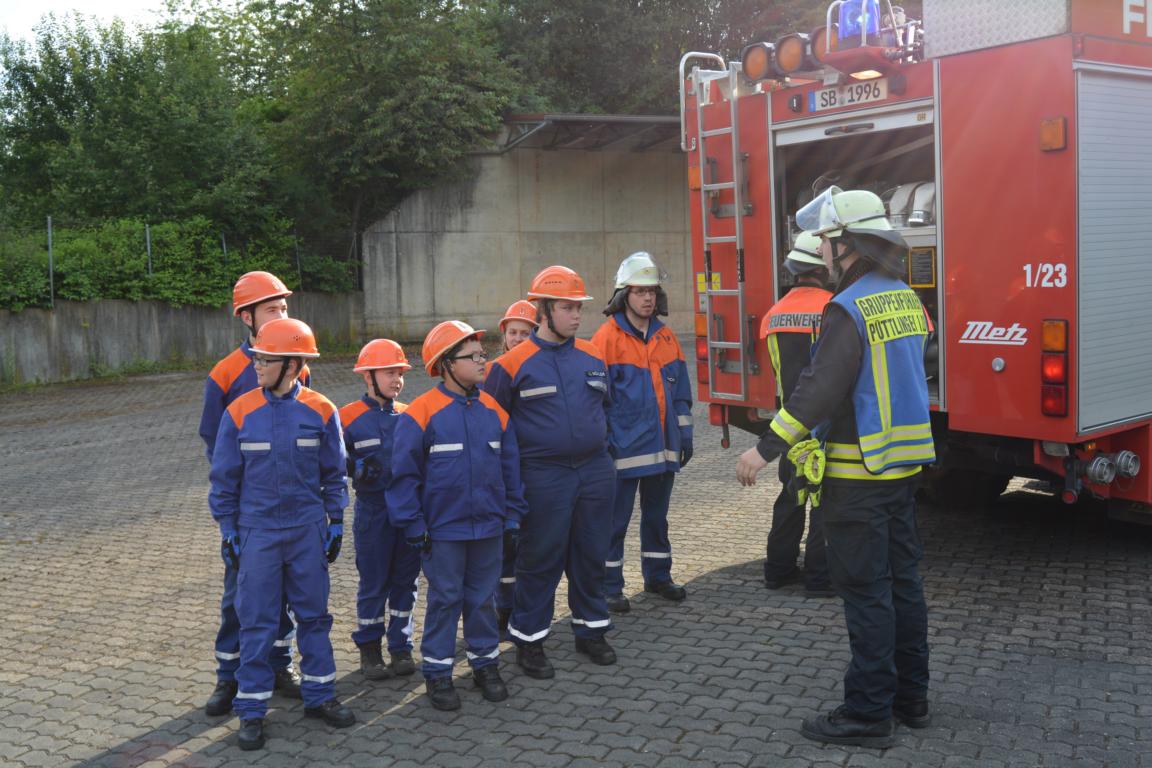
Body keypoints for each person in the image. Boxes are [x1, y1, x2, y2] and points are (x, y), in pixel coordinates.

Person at [736, 187, 934, 749]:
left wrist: (763, 449)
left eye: (825, 241)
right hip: (904, 470)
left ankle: (868, 713)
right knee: (904, 584)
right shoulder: (905, 296)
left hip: (857, 476)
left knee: (866, 592)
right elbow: (928, 358)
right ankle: (911, 699)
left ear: (846, 245)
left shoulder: (846, 307)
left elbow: (817, 391)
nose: (821, 251)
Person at [209, 318, 355, 751]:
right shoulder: (239, 413)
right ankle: (251, 713)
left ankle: (320, 695)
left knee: (314, 617)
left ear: (292, 364)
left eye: (264, 360)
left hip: (307, 531)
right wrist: (229, 530)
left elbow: (335, 473)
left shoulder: (322, 410)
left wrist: (336, 520)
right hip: (258, 534)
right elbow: (224, 480)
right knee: (256, 623)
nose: (256, 366)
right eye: (255, 358)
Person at [482, 266, 617, 678]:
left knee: (592, 554)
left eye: (579, 307)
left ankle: (590, 631)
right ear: (544, 310)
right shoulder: (510, 365)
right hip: (543, 476)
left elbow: (605, 409)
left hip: (594, 471)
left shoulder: (593, 354)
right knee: (539, 560)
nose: (576, 315)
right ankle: (529, 640)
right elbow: (493, 427)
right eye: (567, 307)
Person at [388, 321, 528, 710]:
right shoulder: (420, 414)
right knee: (446, 599)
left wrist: (512, 517)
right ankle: (437, 673)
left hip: (488, 527)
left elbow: (511, 471)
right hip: (442, 533)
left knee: (482, 599)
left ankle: (485, 665)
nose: (484, 361)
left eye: (483, 354)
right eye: (474, 356)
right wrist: (413, 525)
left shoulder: (495, 412)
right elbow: (403, 477)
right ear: (447, 363)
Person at [198, 271, 306, 717]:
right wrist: (235, 505)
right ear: (246, 316)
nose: (280, 314)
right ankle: (230, 676)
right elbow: (212, 439)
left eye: (283, 307)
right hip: (249, 511)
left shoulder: (298, 360)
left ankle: (279, 666)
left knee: (283, 593)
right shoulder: (225, 373)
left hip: (290, 506)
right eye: (271, 309)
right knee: (238, 595)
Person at [591, 252, 693, 613]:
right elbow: (597, 400)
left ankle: (659, 577)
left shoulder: (666, 337)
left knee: (656, 518)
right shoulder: (606, 338)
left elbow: (680, 391)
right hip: (623, 449)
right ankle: (609, 586)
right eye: (639, 291)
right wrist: (604, 444)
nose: (647, 298)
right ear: (624, 295)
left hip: (663, 447)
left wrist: (685, 433)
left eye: (652, 291)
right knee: (614, 522)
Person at [339, 339, 421, 680]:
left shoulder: (410, 414)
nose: (397, 380)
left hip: (408, 513)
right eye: (389, 373)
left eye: (400, 373)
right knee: (374, 583)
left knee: (406, 581)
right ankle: (369, 651)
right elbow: (328, 460)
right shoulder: (346, 417)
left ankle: (401, 647)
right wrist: (353, 468)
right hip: (373, 513)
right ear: (368, 377)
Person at [759, 233, 833, 597]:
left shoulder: (773, 315)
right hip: (824, 426)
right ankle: (820, 579)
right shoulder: (834, 308)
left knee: (791, 497)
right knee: (823, 501)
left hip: (788, 424)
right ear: (822, 269)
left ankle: (778, 570)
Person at [493, 299, 540, 631]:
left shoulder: (541, 367)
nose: (519, 339)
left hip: (535, 468)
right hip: (506, 470)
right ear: (504, 335)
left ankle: (525, 608)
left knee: (530, 543)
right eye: (513, 332)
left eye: (525, 333)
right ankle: (503, 609)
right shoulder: (497, 371)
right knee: (505, 545)